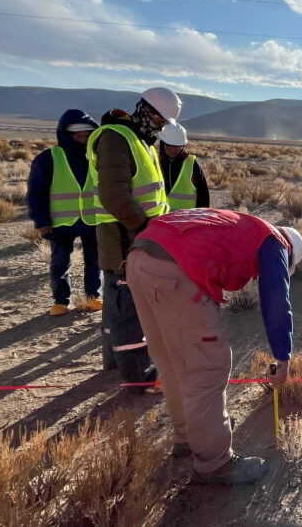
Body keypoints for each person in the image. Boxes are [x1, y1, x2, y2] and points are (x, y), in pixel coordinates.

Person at [124, 208, 302, 485]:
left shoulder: (242, 225)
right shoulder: (275, 242)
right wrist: (283, 358)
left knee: (172, 361)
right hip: (176, 268)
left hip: (138, 259)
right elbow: (276, 301)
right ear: (289, 251)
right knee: (207, 365)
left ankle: (187, 437)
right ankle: (215, 462)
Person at [86, 87, 181, 389]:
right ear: (143, 108)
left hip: (133, 233)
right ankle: (139, 376)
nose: (158, 125)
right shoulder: (117, 138)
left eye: (163, 122)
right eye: (156, 117)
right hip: (123, 234)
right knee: (127, 304)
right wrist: (143, 228)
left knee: (117, 301)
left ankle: (115, 363)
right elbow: (114, 196)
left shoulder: (141, 140)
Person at [26, 109, 102, 316]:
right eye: (76, 133)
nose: (82, 136)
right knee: (60, 262)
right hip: (60, 222)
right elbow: (36, 193)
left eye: (87, 132)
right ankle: (61, 301)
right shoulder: (48, 159)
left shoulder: (98, 158)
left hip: (92, 219)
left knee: (95, 261)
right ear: (65, 133)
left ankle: (94, 297)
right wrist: (41, 221)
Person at [159, 123, 210, 210]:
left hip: (187, 221)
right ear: (162, 144)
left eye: (178, 147)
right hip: (161, 220)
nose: (174, 150)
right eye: (170, 147)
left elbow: (203, 196)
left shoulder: (192, 164)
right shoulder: (155, 162)